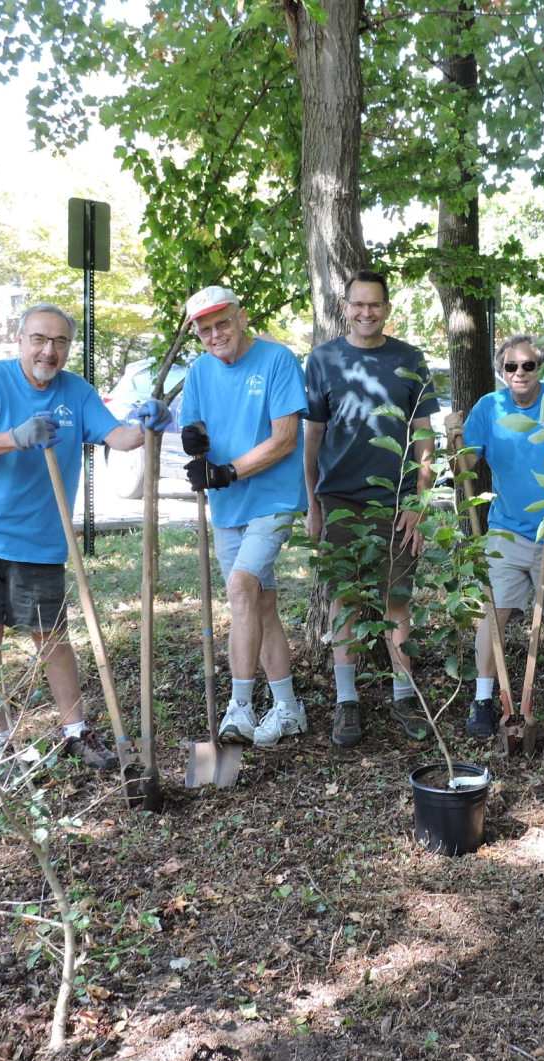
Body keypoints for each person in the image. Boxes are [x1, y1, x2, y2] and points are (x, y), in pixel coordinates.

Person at [0, 303, 170, 768]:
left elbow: (119, 438)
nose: (48, 350)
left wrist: (148, 421)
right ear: (20, 340)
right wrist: (14, 437)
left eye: (60, 341)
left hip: (39, 539)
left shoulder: (76, 391)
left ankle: (76, 732)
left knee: (51, 635)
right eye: (39, 339)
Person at [303, 269, 440, 748]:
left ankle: (404, 697)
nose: (366, 312)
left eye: (375, 304)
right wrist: (313, 504)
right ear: (345, 307)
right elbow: (313, 437)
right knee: (343, 599)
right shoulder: (322, 360)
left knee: (396, 600)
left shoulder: (409, 359)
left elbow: (424, 436)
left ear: (387, 308)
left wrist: (419, 501)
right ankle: (347, 702)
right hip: (338, 499)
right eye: (358, 304)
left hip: (396, 502)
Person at [444, 335, 544, 737]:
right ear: (502, 371)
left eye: (528, 365)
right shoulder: (489, 408)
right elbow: (464, 468)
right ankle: (484, 699)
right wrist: (453, 438)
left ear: (540, 368)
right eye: (511, 366)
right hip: (508, 529)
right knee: (495, 610)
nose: (519, 373)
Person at [178, 285, 308, 748]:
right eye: (205, 330)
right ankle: (288, 708)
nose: (215, 335)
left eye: (223, 323)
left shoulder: (277, 360)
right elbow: (194, 427)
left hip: (273, 498)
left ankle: (240, 707)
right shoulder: (199, 371)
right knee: (259, 602)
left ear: (242, 317)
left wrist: (227, 471)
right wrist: (194, 441)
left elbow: (285, 439)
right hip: (227, 505)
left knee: (239, 587)